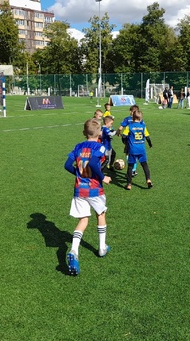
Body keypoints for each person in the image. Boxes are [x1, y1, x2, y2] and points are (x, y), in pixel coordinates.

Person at [64, 118, 112, 276]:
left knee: (83, 220)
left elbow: (67, 165)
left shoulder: (78, 146)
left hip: (79, 189)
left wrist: (78, 174)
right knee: (101, 214)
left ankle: (74, 250)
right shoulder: (100, 146)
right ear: (99, 133)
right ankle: (102, 247)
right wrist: (103, 177)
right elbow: (92, 163)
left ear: (84, 132)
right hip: (94, 189)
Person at [122, 110, 153, 190]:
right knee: (144, 165)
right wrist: (150, 144)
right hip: (141, 149)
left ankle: (129, 184)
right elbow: (147, 137)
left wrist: (125, 143)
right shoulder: (143, 126)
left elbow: (124, 136)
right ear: (141, 118)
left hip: (132, 149)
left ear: (132, 117)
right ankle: (148, 179)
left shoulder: (129, 126)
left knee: (130, 166)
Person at [118, 105, 139, 176]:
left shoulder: (127, 119)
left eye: (130, 111)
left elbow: (120, 128)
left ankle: (131, 169)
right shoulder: (140, 120)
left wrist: (118, 132)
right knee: (135, 155)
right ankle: (134, 170)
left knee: (128, 154)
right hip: (137, 140)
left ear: (132, 111)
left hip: (128, 140)